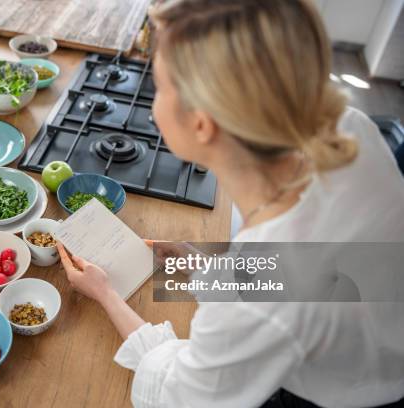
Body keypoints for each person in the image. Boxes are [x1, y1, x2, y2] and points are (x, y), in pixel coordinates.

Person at [56, 0, 404, 407]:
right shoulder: (346, 126)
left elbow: (177, 396)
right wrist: (196, 263)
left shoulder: (261, 304)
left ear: (202, 123)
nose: (153, 102)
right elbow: (318, 268)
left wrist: (106, 293)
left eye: (160, 87)